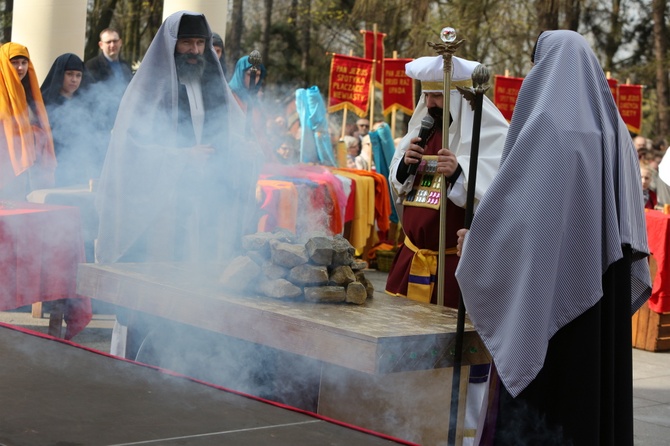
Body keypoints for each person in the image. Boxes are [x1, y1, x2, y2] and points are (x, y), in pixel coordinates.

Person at [455, 30, 651, 445]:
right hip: (604, 289)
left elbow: (523, 221)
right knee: (594, 399)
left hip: (555, 293)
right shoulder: (615, 131)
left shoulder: (548, 127)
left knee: (552, 408)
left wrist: (476, 243)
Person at [96, 11, 260, 265]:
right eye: (186, 43)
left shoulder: (214, 86)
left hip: (204, 195)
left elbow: (227, 133)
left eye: (200, 43)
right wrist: (181, 156)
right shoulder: (146, 90)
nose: (194, 50)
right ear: (172, 45)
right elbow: (128, 148)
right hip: (161, 205)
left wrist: (243, 148)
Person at [385, 55, 509, 308]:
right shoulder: (419, 133)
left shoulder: (492, 136)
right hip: (411, 259)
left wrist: (458, 173)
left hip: (455, 266)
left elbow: (499, 198)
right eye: (426, 96)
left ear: (458, 99)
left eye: (438, 96)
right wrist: (403, 168)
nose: (430, 104)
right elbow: (398, 188)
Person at [0, 42, 56, 200]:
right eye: (15, 62)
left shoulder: (29, 93)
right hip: (5, 170)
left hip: (29, 168)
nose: (20, 68)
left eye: (24, 62)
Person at [40, 53, 99, 186]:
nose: (74, 79)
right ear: (61, 74)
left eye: (78, 75)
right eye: (70, 74)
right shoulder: (44, 102)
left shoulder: (86, 103)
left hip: (80, 167)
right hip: (53, 168)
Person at [85, 28, 134, 167]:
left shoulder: (125, 65)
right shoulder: (92, 66)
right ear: (101, 45)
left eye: (115, 41)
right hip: (103, 127)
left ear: (121, 42)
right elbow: (90, 99)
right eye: (108, 42)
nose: (112, 45)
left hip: (124, 124)